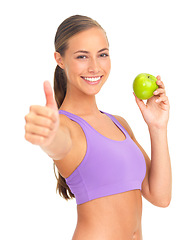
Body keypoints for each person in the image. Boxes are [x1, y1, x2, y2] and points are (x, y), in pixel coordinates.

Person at [24, 15, 172, 240]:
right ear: (60, 59)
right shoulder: (65, 125)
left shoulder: (118, 124)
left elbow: (160, 196)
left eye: (102, 54)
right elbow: (59, 143)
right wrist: (48, 134)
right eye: (82, 56)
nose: (94, 67)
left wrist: (158, 127)